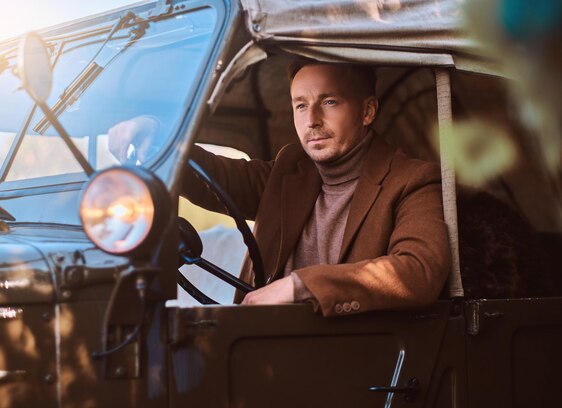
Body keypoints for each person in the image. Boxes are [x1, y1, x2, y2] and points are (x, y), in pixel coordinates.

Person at [113, 60, 451, 316]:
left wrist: (300, 286)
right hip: (265, 349)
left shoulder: (413, 180)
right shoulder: (289, 170)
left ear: (367, 111)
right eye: (300, 105)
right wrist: (158, 137)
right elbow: (213, 176)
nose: (311, 120)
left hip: (359, 361)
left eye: (329, 102)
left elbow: (418, 271)